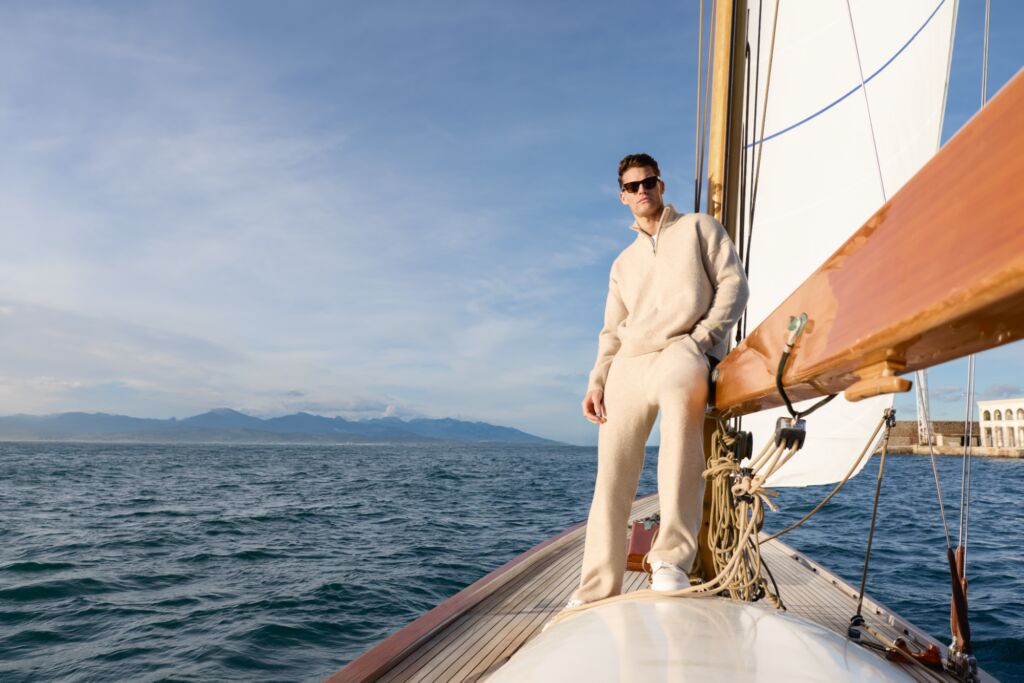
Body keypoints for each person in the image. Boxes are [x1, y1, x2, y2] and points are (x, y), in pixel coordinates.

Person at [569, 153, 749, 606]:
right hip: (628, 363)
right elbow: (610, 331)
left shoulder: (700, 229)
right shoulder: (622, 264)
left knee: (679, 435)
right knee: (611, 475)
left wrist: (702, 340)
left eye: (648, 182)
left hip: (681, 351)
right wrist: (597, 381)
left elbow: (734, 286)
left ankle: (669, 558)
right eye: (632, 187)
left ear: (662, 186)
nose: (642, 191)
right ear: (623, 197)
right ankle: (597, 585)